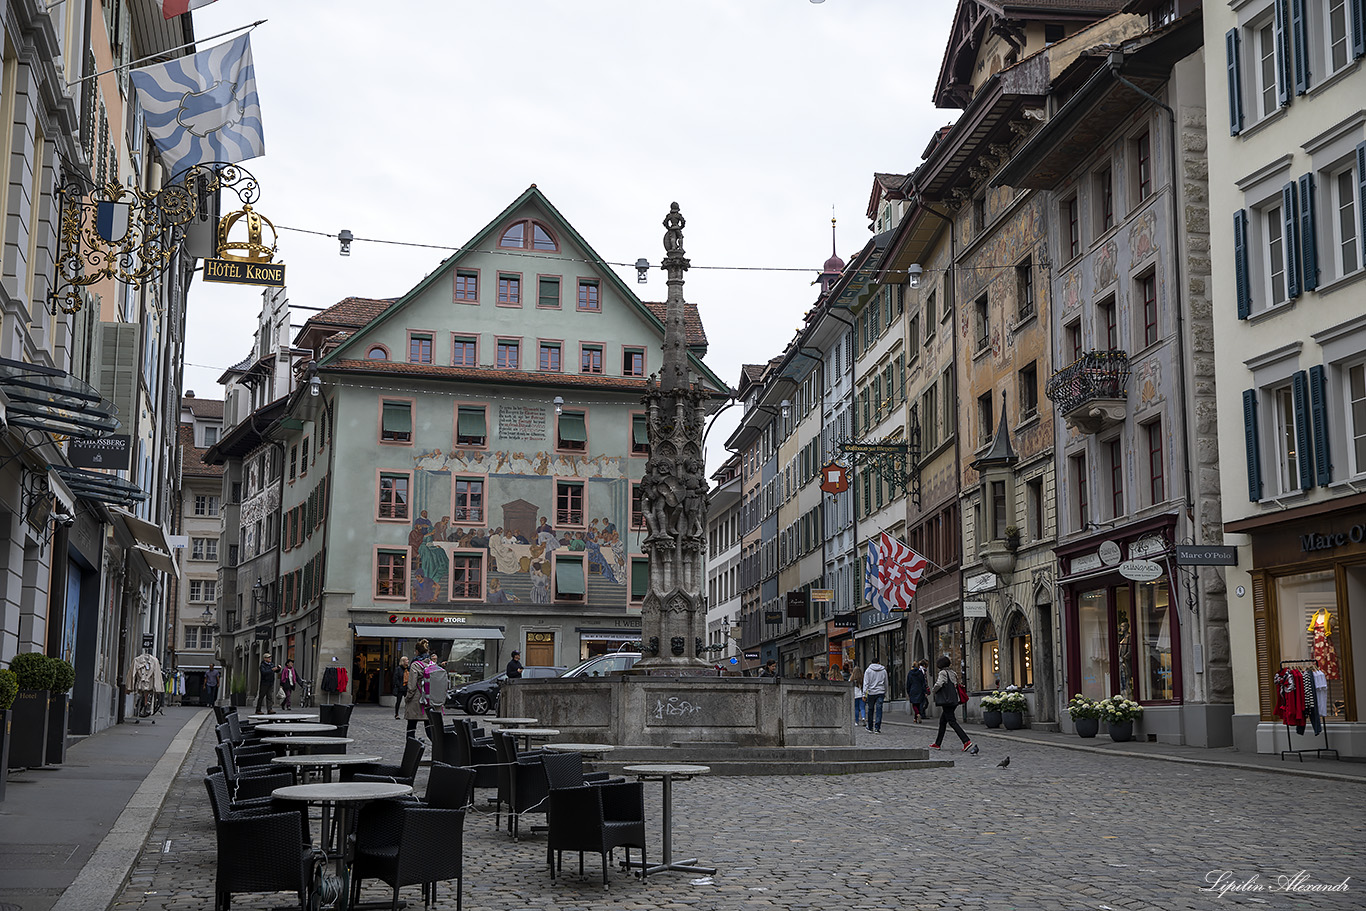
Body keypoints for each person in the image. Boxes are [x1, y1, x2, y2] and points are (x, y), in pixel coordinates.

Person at [929, 655, 974, 752]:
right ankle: (937, 743)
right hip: (954, 700)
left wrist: (933, 690)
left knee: (952, 721)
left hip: (947, 701)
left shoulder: (943, 673)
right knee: (942, 722)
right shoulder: (953, 672)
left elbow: (939, 684)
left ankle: (966, 741)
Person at [404, 640, 439, 739]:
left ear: (417, 651)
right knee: (429, 729)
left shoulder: (415, 665)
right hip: (429, 700)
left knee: (411, 728)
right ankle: (439, 749)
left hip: (416, 700)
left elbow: (411, 686)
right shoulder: (432, 664)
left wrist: (407, 698)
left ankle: (410, 750)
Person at [863, 659, 889, 733]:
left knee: (870, 709)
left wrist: (864, 694)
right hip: (880, 692)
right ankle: (877, 728)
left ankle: (870, 727)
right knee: (879, 710)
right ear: (878, 662)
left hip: (871, 692)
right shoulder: (883, 670)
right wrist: (885, 692)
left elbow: (866, 683)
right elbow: (886, 682)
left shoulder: (868, 671)